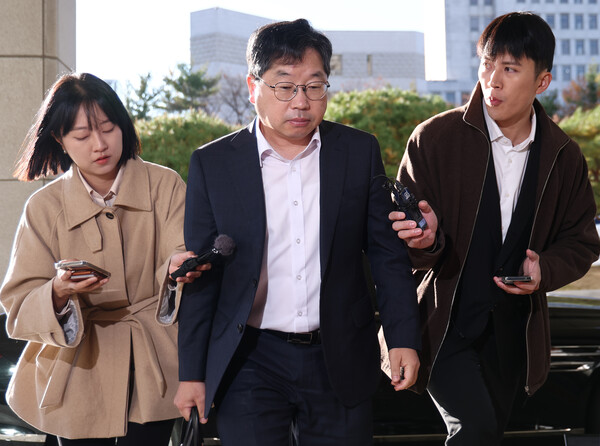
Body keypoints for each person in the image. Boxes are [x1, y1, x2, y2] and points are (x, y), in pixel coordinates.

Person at [168, 18, 421, 446]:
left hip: (339, 350)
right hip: (250, 358)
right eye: (285, 86)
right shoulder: (213, 164)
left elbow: (387, 256)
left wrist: (402, 339)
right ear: (253, 87)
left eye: (314, 86)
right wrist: (191, 373)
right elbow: (201, 276)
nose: (301, 101)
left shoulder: (358, 151)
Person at [390, 12, 600, 445]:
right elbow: (397, 243)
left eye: (510, 68)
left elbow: (581, 242)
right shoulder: (434, 139)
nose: (493, 80)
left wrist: (546, 270)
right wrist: (426, 239)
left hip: (514, 335)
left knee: (488, 433)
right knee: (475, 428)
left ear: (542, 82)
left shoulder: (563, 155)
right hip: (441, 324)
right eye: (487, 64)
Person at [0, 72, 205, 445]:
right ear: (59, 139)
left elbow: (180, 250)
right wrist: (58, 292)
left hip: (154, 362)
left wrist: (176, 269)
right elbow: (18, 302)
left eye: (109, 128)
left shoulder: (165, 185)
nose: (100, 144)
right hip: (75, 369)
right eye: (82, 136)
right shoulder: (43, 207)